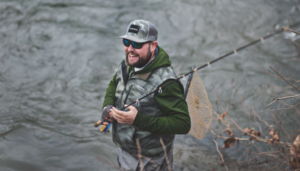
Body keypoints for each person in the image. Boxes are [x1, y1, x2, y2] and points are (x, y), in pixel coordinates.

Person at [101, 19, 191, 171]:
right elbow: (114, 83)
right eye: (126, 42)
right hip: (125, 150)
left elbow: (183, 124)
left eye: (137, 44)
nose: (130, 49)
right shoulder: (129, 63)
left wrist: (138, 120)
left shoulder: (166, 82)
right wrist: (108, 105)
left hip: (148, 160)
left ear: (153, 45)